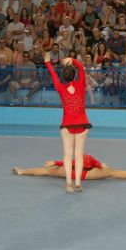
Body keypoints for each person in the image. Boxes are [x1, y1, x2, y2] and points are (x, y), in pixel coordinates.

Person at [44, 52, 92, 193]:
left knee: (67, 154)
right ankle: (78, 183)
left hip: (67, 124)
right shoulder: (81, 84)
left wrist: (47, 62)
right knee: (78, 155)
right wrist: (73, 60)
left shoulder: (60, 88)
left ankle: (68, 184)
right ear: (74, 75)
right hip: (82, 124)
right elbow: (82, 68)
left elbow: (53, 75)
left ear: (63, 77)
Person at [12, 154, 126, 181]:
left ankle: (22, 171)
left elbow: (68, 163)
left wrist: (55, 163)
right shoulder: (88, 157)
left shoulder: (79, 158)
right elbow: (96, 164)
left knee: (45, 171)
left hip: (72, 174)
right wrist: (102, 166)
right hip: (86, 175)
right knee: (113, 172)